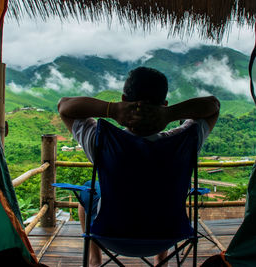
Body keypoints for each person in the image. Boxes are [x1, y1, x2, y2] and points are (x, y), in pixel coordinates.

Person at [58, 67, 220, 267]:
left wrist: (113, 110)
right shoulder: (184, 142)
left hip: (110, 236)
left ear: (124, 99)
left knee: (87, 194)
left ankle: (95, 259)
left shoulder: (102, 141)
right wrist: (169, 114)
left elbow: (64, 106)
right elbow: (213, 105)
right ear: (164, 104)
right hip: (168, 236)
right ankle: (162, 258)